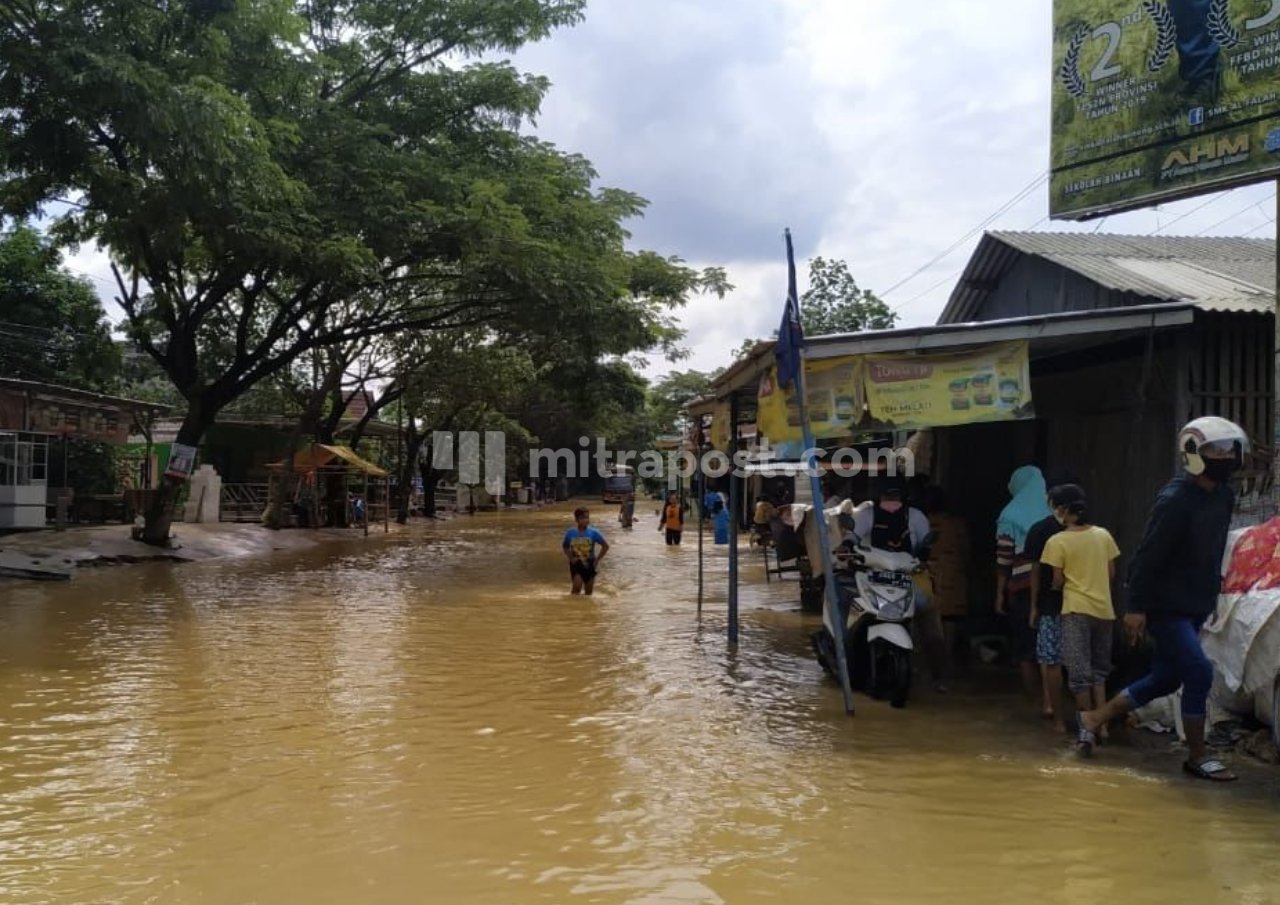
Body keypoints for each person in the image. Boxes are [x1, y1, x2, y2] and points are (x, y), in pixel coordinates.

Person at [1081, 417, 1246, 781]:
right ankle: (1198, 755)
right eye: (1218, 451)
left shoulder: (1224, 496)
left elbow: (1213, 550)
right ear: (1194, 454)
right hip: (1165, 605)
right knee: (1199, 670)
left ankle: (1093, 718)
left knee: (1165, 679)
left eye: (1230, 450)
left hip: (1197, 602)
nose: (1227, 457)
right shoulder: (1173, 501)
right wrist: (1136, 607)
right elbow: (1146, 556)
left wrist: (1216, 592)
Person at [1039, 484, 1120, 755]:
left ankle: (1087, 733)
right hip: (1104, 610)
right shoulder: (1103, 535)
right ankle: (1103, 727)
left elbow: (1057, 581)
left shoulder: (1057, 542)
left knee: (1079, 676)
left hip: (1075, 610)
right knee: (1099, 672)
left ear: (1063, 511)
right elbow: (1110, 574)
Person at [847, 484, 947, 690]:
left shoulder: (916, 517)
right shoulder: (866, 515)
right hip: (873, 574)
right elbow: (852, 537)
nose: (891, 502)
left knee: (930, 622)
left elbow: (925, 545)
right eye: (886, 496)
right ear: (877, 497)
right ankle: (851, 662)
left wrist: (923, 554)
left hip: (910, 574)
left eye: (895, 497)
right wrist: (846, 546)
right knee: (855, 612)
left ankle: (938, 677)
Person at [995, 465, 1053, 706]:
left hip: (1023, 586)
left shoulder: (1009, 515)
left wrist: (999, 594)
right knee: (1049, 646)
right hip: (1055, 585)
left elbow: (1004, 559)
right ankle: (1052, 701)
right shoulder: (1055, 509)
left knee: (1026, 647)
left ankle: (1038, 702)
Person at [1024, 488, 1067, 733]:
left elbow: (1036, 572)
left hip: (1051, 604)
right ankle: (1094, 724)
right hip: (1083, 605)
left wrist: (1033, 606)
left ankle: (1051, 705)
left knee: (1049, 657)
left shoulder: (1041, 530)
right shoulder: (1093, 533)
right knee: (1083, 663)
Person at [563, 507, 609, 596]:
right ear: (576, 519)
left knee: (588, 593)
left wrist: (597, 560)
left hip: (590, 563)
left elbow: (605, 546)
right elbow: (565, 547)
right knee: (576, 589)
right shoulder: (570, 533)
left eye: (587, 517)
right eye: (583, 518)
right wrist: (571, 558)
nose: (586, 520)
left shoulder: (594, 533)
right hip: (577, 563)